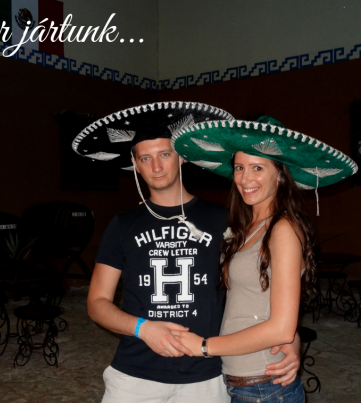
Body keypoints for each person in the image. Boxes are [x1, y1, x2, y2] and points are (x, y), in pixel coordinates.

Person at [72, 104, 302, 403]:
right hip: (135, 373)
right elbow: (96, 303)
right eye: (146, 158)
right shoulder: (123, 224)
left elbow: (258, 286)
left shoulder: (226, 220)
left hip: (207, 374)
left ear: (181, 156)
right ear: (135, 164)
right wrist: (142, 328)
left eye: (165, 154)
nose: (156, 167)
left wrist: (290, 337)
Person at [169, 115, 358, 402]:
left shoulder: (283, 229)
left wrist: (204, 346)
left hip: (265, 385)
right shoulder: (248, 226)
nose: (245, 178)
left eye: (258, 168)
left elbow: (281, 327)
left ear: (280, 174)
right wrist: (293, 340)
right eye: (239, 168)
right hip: (247, 382)